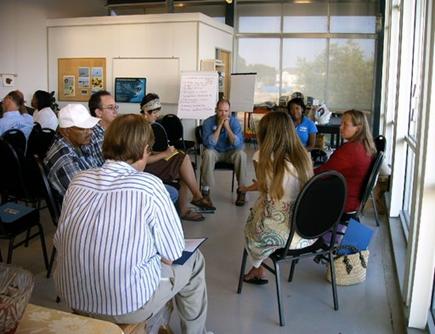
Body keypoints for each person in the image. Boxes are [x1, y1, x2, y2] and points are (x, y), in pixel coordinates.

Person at [53, 114, 209, 334]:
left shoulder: (79, 179)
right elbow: (172, 253)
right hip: (125, 304)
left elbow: (60, 239)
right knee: (194, 262)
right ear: (145, 150)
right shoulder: (149, 186)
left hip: (72, 294)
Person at [241, 112, 314, 284]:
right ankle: (257, 268)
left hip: (281, 235)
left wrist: (246, 188)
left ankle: (257, 267)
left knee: (250, 224)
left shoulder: (261, 157)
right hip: (307, 231)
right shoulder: (304, 157)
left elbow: (264, 190)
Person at [88, 90, 179, 203]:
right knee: (172, 191)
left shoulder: (115, 129)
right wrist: (162, 154)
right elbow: (107, 167)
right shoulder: (94, 135)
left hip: (124, 173)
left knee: (181, 159)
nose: (115, 111)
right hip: (115, 181)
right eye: (111, 107)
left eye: (116, 107)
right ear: (98, 112)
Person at [140, 93, 214, 221]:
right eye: (154, 113)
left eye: (158, 112)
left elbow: (148, 153)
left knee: (184, 162)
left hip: (148, 163)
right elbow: (141, 160)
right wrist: (165, 154)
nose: (157, 116)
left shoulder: (149, 125)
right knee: (183, 162)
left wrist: (164, 153)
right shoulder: (139, 129)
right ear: (146, 111)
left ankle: (190, 204)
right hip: (142, 169)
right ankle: (194, 200)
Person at [315, 109, 376, 213]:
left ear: (358, 128)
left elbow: (323, 173)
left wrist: (305, 169)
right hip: (353, 198)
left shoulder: (350, 149)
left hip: (342, 200)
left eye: (345, 124)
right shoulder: (365, 145)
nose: (340, 127)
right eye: (341, 123)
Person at [44, 103, 100, 197]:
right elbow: (83, 197)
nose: (90, 132)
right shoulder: (65, 160)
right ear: (66, 131)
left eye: (90, 127)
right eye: (83, 129)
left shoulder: (78, 144)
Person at [201, 99, 247, 206]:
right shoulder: (208, 122)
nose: (223, 114)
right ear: (216, 110)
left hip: (230, 152)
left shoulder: (234, 122)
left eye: (226, 111)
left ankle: (241, 190)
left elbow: (237, 144)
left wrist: (227, 127)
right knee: (208, 153)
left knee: (241, 154)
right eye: (221, 111)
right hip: (215, 152)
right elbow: (210, 144)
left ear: (229, 111)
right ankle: (206, 191)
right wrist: (220, 126)